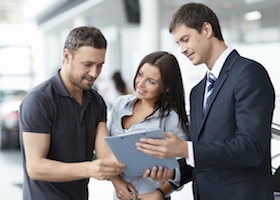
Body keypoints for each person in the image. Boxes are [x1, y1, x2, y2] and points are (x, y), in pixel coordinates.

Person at [135, 3, 275, 200]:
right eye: (178, 44)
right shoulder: (197, 91)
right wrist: (171, 173)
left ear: (207, 29)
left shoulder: (248, 74)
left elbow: (251, 148)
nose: (182, 49)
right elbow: (203, 157)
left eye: (185, 39)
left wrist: (185, 149)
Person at [19, 26, 125, 200]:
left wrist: (121, 178)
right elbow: (35, 167)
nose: (95, 73)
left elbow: (105, 154)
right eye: (88, 64)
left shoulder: (96, 101)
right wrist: (89, 169)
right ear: (67, 56)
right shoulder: (39, 100)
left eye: (100, 65)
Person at [104, 51, 189, 200]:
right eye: (140, 74)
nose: (141, 83)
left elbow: (186, 167)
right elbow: (107, 152)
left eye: (151, 81)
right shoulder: (120, 104)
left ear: (166, 87)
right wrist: (117, 183)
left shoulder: (172, 119)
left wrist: (160, 193)